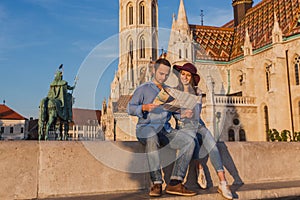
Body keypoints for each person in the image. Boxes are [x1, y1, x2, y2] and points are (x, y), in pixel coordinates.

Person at [127, 58, 197, 197]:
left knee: (189, 141)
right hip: (146, 128)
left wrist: (184, 113)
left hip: (165, 130)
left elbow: (172, 110)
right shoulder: (143, 89)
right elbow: (130, 108)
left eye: (166, 74)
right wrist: (144, 107)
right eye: (161, 73)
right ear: (154, 71)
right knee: (151, 137)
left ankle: (175, 182)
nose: (163, 77)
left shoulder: (168, 91)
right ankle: (157, 182)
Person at [172, 62, 233, 200]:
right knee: (192, 139)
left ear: (192, 78)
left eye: (188, 75)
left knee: (212, 143)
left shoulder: (197, 92)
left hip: (198, 123)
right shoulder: (174, 91)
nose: (185, 77)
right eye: (183, 74)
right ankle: (199, 165)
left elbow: (197, 112)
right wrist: (182, 113)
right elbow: (173, 113)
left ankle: (223, 182)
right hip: (183, 125)